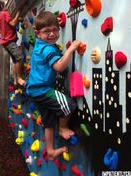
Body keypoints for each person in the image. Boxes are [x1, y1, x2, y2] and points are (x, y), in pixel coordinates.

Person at [26, 11, 81, 160]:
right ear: (37, 33)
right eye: (46, 31)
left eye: (55, 30)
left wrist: (52, 23)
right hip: (42, 90)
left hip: (35, 90)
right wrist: (70, 49)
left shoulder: (40, 43)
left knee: (49, 121)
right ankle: (63, 128)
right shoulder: (47, 48)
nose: (52, 34)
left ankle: (50, 151)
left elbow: (47, 29)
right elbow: (59, 67)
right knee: (69, 105)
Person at [0, 0, 25, 86]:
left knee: (15, 61)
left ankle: (15, 80)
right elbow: (13, 24)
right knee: (20, 57)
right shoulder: (5, 13)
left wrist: (17, 19)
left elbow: (9, 24)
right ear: (2, 6)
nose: (7, 7)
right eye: (5, 5)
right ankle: (19, 78)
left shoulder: (0, 16)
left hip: (5, 42)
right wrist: (18, 13)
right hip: (9, 41)